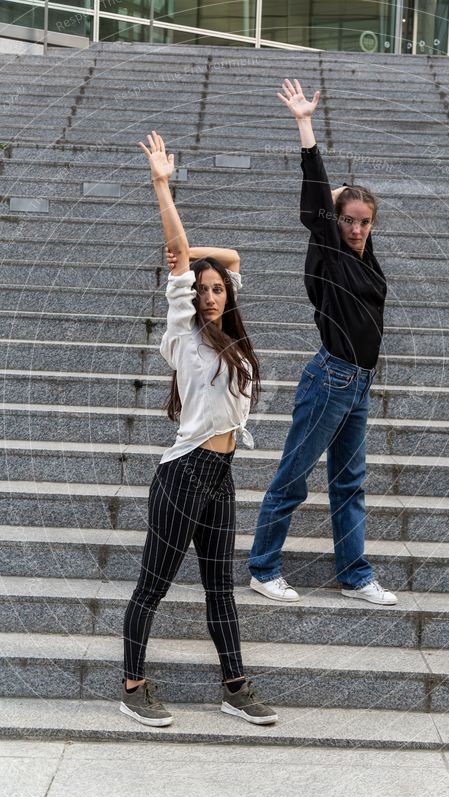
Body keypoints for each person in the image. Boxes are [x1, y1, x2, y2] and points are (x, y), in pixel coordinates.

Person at [120, 130, 277, 727]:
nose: (209, 295)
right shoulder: (182, 333)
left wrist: (201, 258)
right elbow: (186, 264)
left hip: (223, 472)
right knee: (153, 586)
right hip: (184, 473)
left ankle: (234, 687)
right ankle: (134, 684)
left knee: (221, 589)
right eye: (201, 289)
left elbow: (230, 259)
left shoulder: (232, 338)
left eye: (216, 290)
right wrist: (163, 189)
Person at [248, 79, 398, 606]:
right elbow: (316, 203)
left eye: (364, 223)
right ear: (336, 222)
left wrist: (346, 204)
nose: (356, 229)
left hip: (359, 383)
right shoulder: (329, 255)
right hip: (331, 376)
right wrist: (305, 127)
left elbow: (341, 215)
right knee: (294, 476)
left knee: (350, 483)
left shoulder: (365, 260)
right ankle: (263, 568)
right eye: (348, 221)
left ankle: (356, 576)